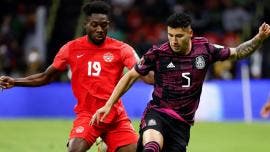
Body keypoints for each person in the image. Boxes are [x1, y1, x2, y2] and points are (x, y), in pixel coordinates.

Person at [91, 12, 270, 152]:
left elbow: (238, 52)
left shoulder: (205, 49)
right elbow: (130, 76)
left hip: (182, 124)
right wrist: (108, 105)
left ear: (190, 33)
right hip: (158, 112)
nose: (173, 41)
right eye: (170, 35)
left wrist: (259, 38)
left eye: (179, 36)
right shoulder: (158, 53)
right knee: (152, 147)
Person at [0, 1, 153, 152]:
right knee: (75, 150)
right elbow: (46, 77)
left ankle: (105, 146)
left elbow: (144, 74)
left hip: (114, 116)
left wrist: (166, 78)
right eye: (94, 25)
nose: (100, 29)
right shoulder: (70, 49)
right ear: (85, 24)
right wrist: (15, 81)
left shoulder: (121, 49)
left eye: (104, 25)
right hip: (87, 115)